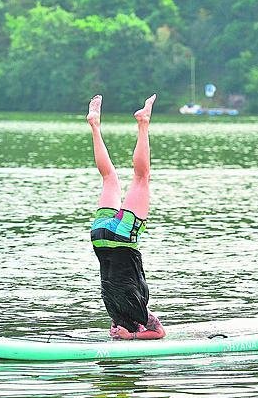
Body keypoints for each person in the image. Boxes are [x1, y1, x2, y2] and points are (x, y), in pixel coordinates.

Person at [87, 93, 166, 341]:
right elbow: (150, 332)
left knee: (141, 178)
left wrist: (132, 338)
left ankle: (143, 123)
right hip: (100, 238)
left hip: (120, 238)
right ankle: (94, 125)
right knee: (110, 178)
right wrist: (126, 335)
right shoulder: (113, 308)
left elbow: (158, 332)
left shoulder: (138, 310)